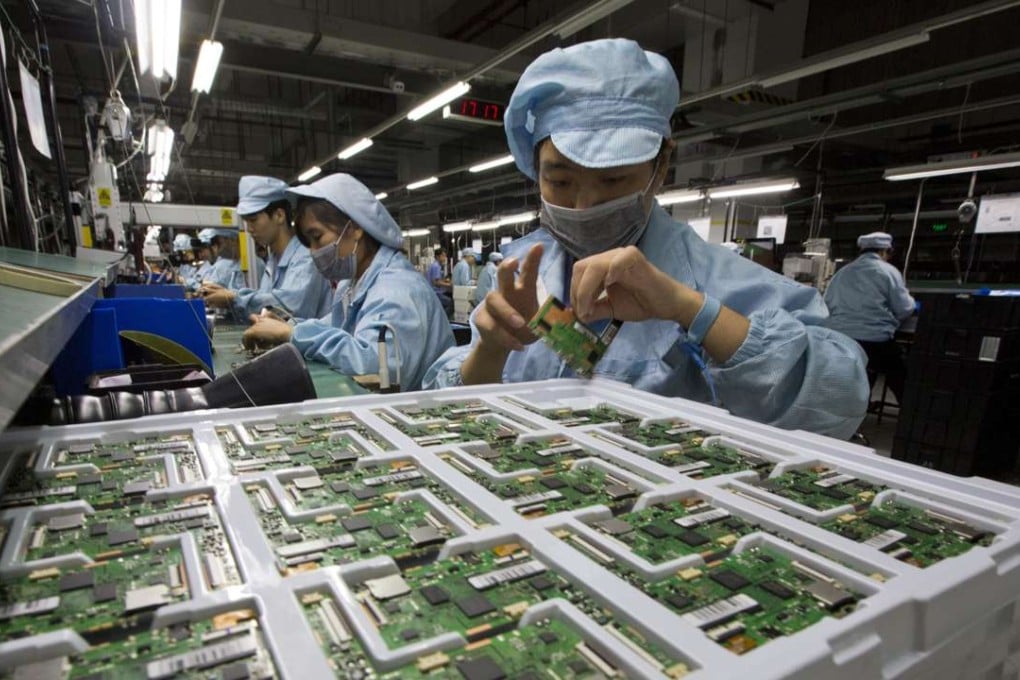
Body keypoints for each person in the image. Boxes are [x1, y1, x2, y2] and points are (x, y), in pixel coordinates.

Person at [424, 38, 868, 440]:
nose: (584, 205)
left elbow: (837, 403)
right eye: (559, 181)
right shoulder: (522, 273)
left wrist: (691, 310)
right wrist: (491, 350)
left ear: (662, 166)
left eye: (613, 179)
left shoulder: (722, 281)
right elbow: (448, 412)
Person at [242, 173, 454, 391]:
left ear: (355, 228)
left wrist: (292, 335)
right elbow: (333, 326)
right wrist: (288, 327)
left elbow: (373, 366)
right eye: (309, 242)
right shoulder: (352, 283)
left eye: (317, 237)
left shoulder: (397, 290)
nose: (313, 252)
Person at [200, 176, 332, 321]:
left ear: (279, 215)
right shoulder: (273, 260)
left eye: (253, 220)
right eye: (246, 222)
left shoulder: (305, 256)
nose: (249, 229)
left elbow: (288, 309)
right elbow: (266, 306)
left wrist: (233, 298)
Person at [824, 231, 916, 408]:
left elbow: (827, 304)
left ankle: (857, 406)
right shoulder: (888, 272)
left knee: (859, 371)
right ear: (885, 251)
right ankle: (910, 413)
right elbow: (904, 308)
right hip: (874, 341)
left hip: (841, 340)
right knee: (898, 374)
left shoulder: (843, 272)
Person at [427, 248, 453, 315]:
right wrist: (449, 285)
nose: (445, 258)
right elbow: (436, 283)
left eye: (445, 256)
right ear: (437, 256)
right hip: (436, 293)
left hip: (435, 292)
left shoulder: (436, 265)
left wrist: (445, 280)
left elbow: (437, 279)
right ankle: (443, 319)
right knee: (451, 304)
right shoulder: (436, 266)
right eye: (443, 256)